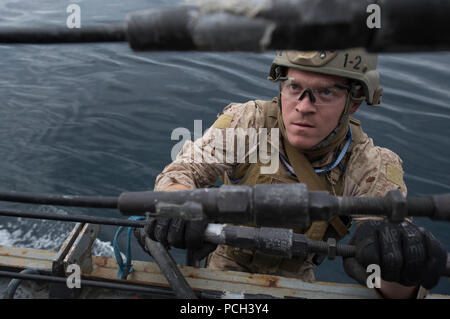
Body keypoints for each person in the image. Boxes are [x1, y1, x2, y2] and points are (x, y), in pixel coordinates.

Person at [135, 49, 447, 298]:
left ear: (353, 104)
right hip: (221, 264)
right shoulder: (248, 122)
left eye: (324, 93)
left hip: (297, 279)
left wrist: (400, 263)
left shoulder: (371, 164)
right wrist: (177, 201)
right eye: (294, 87)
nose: (303, 106)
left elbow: (392, 284)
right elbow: (184, 168)